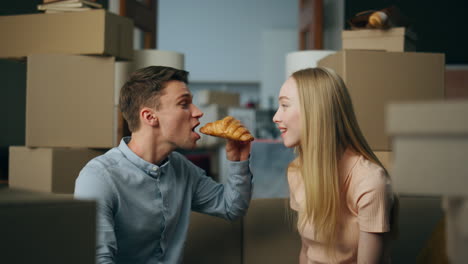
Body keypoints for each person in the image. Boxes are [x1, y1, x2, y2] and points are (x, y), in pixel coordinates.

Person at [74, 66, 253, 264]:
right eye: (184, 104)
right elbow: (98, 260)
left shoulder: (182, 169)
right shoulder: (99, 178)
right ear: (150, 117)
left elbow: (232, 207)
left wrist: (238, 160)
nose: (198, 112)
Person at [273, 67, 397, 263]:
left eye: (285, 105)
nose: (276, 117)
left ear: (315, 112)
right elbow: (307, 252)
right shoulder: (296, 172)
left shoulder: (371, 182)